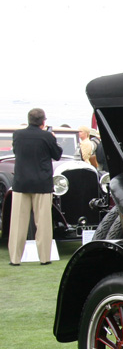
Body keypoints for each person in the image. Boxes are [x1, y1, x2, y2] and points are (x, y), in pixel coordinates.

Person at [9, 108, 61, 266]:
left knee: (18, 223)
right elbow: (57, 154)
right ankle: (44, 258)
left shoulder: (17, 135)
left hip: (21, 183)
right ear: (43, 121)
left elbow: (16, 151)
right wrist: (52, 138)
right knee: (43, 223)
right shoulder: (46, 136)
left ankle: (15, 259)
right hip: (42, 184)